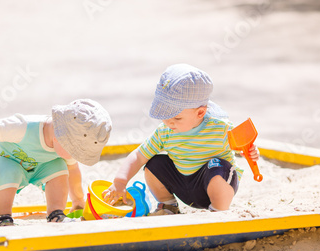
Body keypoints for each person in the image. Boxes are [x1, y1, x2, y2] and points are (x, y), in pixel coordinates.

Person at [103, 64, 259, 215]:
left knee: (218, 166)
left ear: (200, 113)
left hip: (214, 185)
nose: (169, 122)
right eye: (164, 115)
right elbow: (138, 156)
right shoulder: (164, 132)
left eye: (177, 117)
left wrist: (251, 152)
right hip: (183, 186)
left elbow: (243, 147)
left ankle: (217, 211)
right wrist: (120, 181)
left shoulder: (221, 128)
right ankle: (168, 205)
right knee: (153, 163)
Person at [0, 99, 112, 226]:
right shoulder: (23, 127)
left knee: (60, 166)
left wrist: (77, 200)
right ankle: (2, 217)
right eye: (75, 152)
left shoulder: (63, 148)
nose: (75, 156)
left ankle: (56, 213)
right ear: (60, 138)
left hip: (41, 165)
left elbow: (73, 172)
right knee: (9, 171)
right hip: (8, 159)